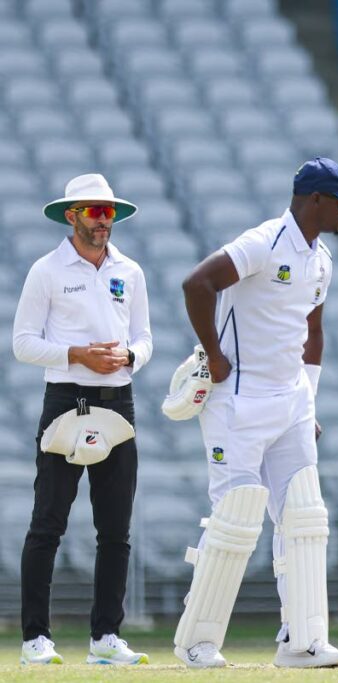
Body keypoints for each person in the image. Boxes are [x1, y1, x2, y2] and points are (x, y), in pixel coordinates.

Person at [171, 157, 338, 669]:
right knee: (234, 520)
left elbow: (313, 333)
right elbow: (197, 284)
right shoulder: (263, 242)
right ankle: (198, 643)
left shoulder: (321, 259)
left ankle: (301, 642)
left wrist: (310, 399)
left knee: (303, 518)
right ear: (315, 201)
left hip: (291, 401)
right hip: (237, 401)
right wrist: (213, 356)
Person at [12, 174, 152, 665]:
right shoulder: (47, 270)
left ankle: (105, 638)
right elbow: (23, 343)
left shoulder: (130, 271)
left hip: (119, 400)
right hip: (65, 398)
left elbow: (144, 338)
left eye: (109, 212)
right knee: (48, 523)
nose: (103, 220)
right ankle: (35, 639)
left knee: (116, 529)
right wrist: (77, 355)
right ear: (72, 216)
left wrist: (129, 357)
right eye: (94, 211)